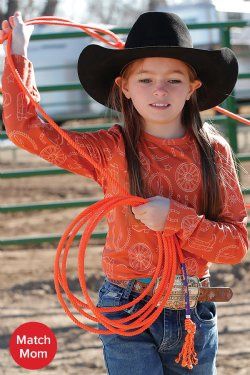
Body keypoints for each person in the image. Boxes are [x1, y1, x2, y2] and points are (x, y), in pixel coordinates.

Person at [1, 10, 248, 375]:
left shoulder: (214, 152)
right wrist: (17, 53)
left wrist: (176, 219)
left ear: (193, 88)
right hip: (125, 302)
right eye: (145, 79)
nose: (159, 90)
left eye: (174, 79)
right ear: (125, 88)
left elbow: (235, 246)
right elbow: (27, 131)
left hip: (192, 301)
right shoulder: (111, 149)